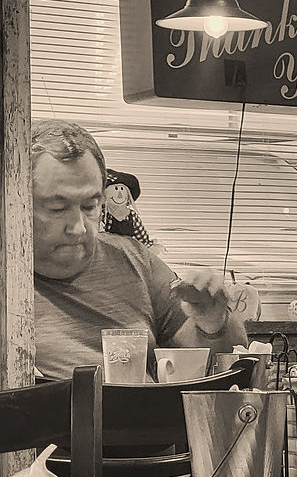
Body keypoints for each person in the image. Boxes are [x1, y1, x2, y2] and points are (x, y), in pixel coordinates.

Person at [32, 119, 246, 380]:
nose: (78, 228)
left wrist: (213, 321)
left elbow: (221, 362)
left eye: (89, 206)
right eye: (57, 208)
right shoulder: (12, 285)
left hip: (148, 416)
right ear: (14, 200)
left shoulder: (134, 259)